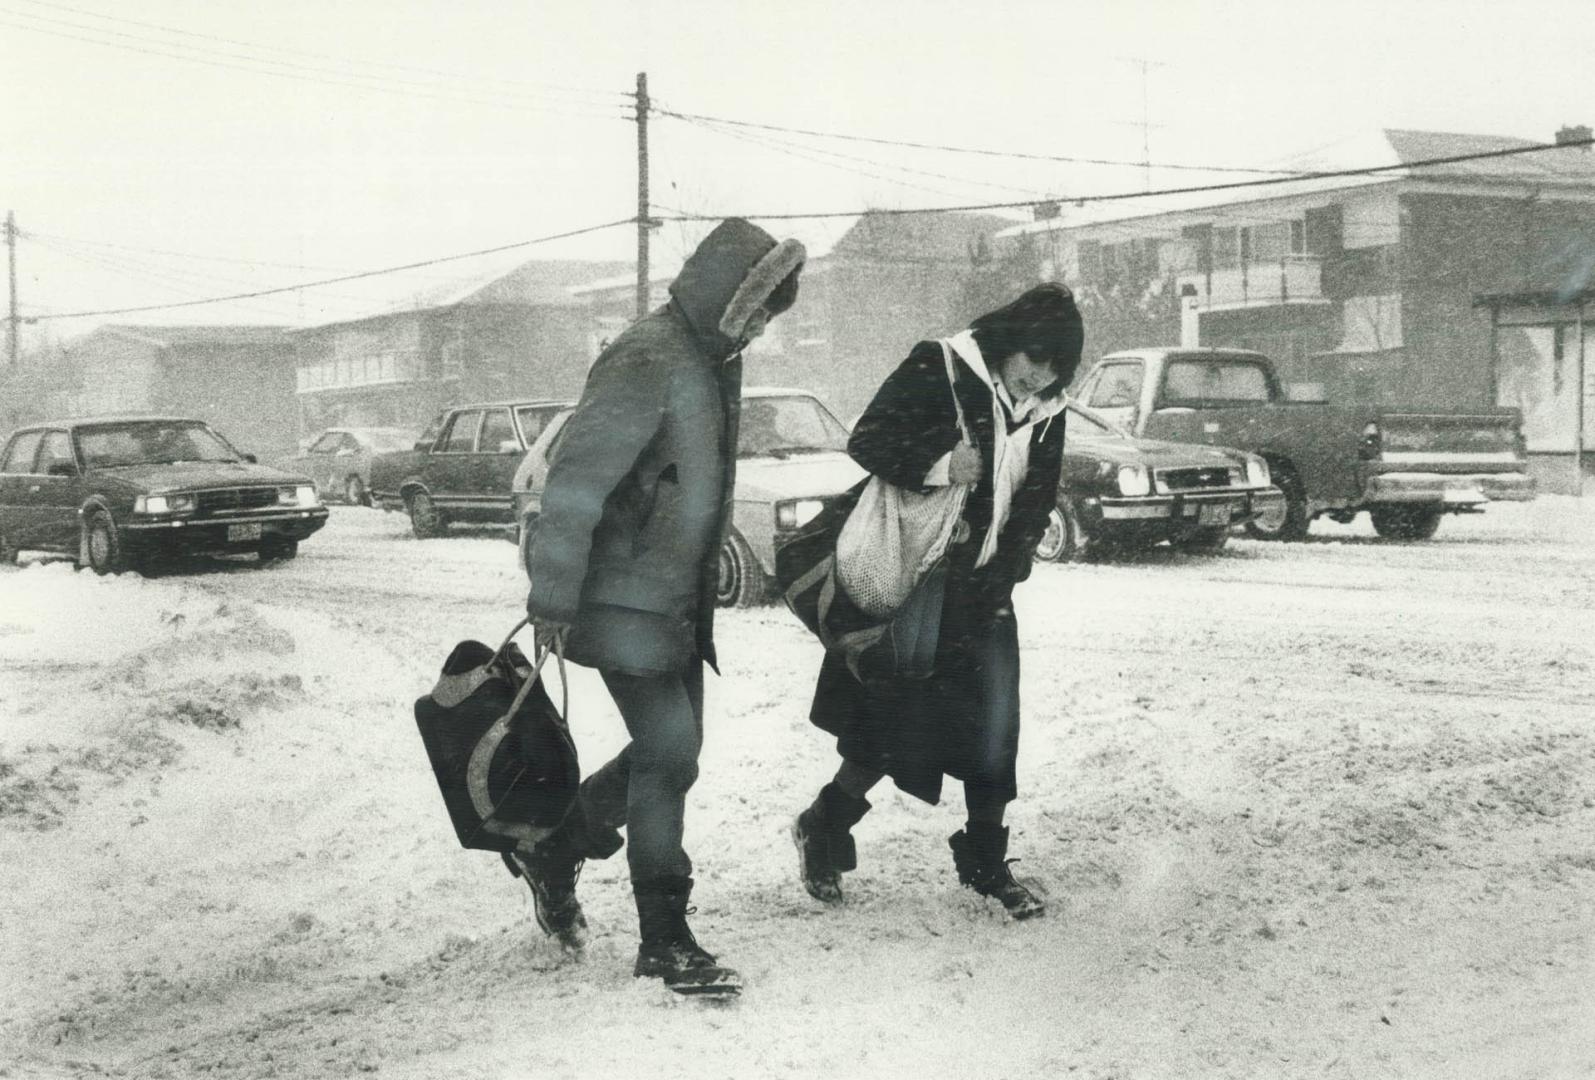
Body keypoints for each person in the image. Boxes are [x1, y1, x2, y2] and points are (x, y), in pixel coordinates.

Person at [518, 218, 805, 995]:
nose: (759, 328)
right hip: (618, 594)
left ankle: (555, 845)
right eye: (755, 310)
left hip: (672, 602)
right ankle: (664, 936)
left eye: (769, 317)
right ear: (724, 294)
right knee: (671, 756)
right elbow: (575, 481)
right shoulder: (646, 356)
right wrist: (551, 593)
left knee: (672, 754)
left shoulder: (711, 359)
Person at [792, 283, 1083, 920]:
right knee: (890, 723)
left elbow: (1038, 497)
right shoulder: (944, 365)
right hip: (924, 582)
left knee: (994, 731)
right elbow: (867, 440)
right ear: (1010, 339)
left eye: (1056, 365)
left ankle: (984, 859)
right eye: (1035, 356)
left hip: (987, 590)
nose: (1041, 374)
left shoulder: (1048, 408)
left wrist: (1011, 567)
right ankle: (825, 825)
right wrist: (940, 464)